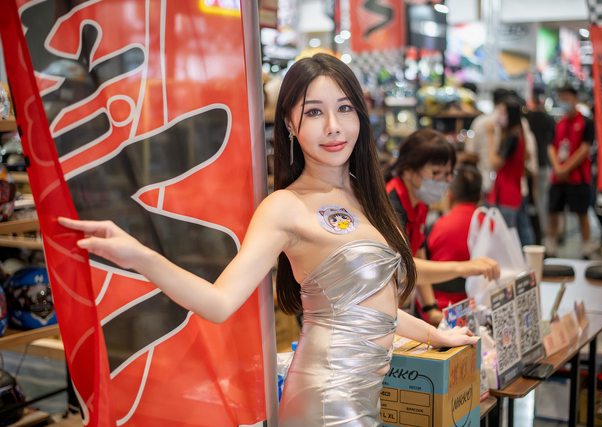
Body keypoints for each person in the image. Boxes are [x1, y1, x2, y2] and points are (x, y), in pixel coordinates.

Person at [59, 54, 477, 427]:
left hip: (362, 397)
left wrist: (435, 336)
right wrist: (140, 256)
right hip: (327, 403)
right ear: (291, 125)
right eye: (314, 112)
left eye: (344, 108)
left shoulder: (366, 195)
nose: (333, 126)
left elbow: (370, 310)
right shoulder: (284, 207)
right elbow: (220, 303)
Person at [386, 129, 499, 325]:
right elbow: (401, 267)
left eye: (448, 174)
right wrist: (463, 267)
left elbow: (418, 253)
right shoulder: (390, 204)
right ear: (409, 170)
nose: (444, 181)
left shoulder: (419, 202)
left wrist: (430, 309)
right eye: (436, 173)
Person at [546, 85, 595, 259]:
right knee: (553, 212)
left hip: (578, 178)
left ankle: (586, 248)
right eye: (561, 98)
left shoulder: (586, 123)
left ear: (575, 98)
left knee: (582, 213)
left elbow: (584, 149)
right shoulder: (558, 123)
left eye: (567, 97)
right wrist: (557, 168)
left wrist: (566, 168)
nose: (564, 101)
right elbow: (551, 147)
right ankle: (550, 247)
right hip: (558, 178)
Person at [426, 165, 483, 308]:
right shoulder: (491, 224)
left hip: (441, 308)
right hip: (481, 305)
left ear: (450, 195)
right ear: (480, 196)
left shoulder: (437, 226)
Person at [486, 97, 528, 232]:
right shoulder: (518, 133)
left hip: (506, 195)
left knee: (506, 234)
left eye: (503, 112)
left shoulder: (512, 136)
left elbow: (496, 163)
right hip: (510, 192)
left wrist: (490, 137)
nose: (499, 116)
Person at [526, 88, 556, 242]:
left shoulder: (527, 118)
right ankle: (542, 233)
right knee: (542, 201)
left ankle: (540, 233)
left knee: (535, 201)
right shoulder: (548, 119)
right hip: (543, 164)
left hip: (531, 166)